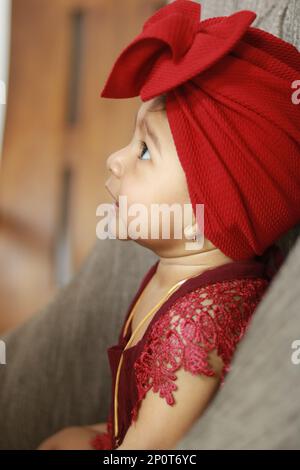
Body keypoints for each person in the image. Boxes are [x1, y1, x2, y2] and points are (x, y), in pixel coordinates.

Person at [37, 0, 300, 450]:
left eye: (144, 150)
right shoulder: (180, 271)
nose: (115, 160)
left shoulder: (195, 327)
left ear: (215, 205)